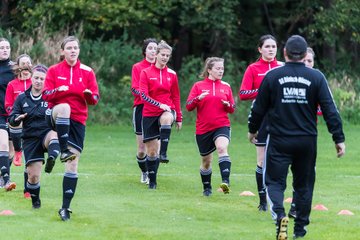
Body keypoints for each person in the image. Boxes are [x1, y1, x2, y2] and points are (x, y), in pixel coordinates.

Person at [248, 35, 345, 239]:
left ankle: (280, 216)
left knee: (274, 182)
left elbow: (258, 108)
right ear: (304, 55)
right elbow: (330, 110)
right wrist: (338, 138)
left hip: (279, 139)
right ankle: (300, 230)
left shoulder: (273, 76)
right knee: (304, 185)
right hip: (306, 141)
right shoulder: (316, 77)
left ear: (284, 53)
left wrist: (252, 129)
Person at [43, 36, 100, 221]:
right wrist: (59, 90)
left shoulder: (87, 71)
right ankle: (62, 148)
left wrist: (89, 95)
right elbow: (45, 95)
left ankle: (65, 208)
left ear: (79, 51)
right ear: (62, 51)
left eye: (75, 48)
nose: (73, 51)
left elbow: (95, 99)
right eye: (69, 48)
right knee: (65, 107)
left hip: (78, 121)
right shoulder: (53, 71)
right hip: (56, 115)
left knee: (73, 164)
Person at [239, 34, 282, 211]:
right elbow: (243, 94)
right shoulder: (253, 69)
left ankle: (281, 197)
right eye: (267, 46)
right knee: (262, 161)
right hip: (262, 117)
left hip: (282, 118)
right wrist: (263, 91)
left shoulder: (282, 67)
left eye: (273, 46)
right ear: (260, 49)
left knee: (281, 161)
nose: (271, 49)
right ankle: (263, 201)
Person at [9, 64, 60, 209]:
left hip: (46, 133)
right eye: (36, 78)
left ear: (46, 80)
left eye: (42, 79)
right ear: (31, 78)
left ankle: (52, 157)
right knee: (33, 176)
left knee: (54, 135)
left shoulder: (51, 96)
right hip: (30, 138)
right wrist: (17, 119)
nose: (38, 81)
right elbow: (11, 117)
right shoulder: (21, 98)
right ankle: (35, 201)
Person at [186, 57, 235, 196]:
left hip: (222, 125)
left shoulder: (226, 86)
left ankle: (226, 181)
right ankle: (207, 187)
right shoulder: (198, 86)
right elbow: (189, 106)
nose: (221, 71)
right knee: (206, 161)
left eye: (222, 68)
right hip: (203, 129)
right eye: (218, 68)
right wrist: (198, 99)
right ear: (209, 70)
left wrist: (228, 105)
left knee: (222, 148)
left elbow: (232, 109)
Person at [139, 40, 182, 189]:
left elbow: (176, 96)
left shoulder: (172, 74)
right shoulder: (145, 73)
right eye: (162, 55)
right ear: (156, 55)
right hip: (149, 113)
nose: (164, 58)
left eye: (167, 56)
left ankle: (164, 153)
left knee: (167, 117)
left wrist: (180, 118)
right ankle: (152, 181)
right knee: (151, 152)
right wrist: (158, 104)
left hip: (166, 111)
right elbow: (143, 96)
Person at [288, 46, 317, 219]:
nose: (306, 63)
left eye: (310, 61)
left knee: (307, 171)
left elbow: (324, 107)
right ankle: (294, 207)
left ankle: (295, 206)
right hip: (287, 134)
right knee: (298, 171)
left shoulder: (317, 80)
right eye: (304, 60)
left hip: (308, 134)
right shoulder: (289, 79)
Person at [131, 38, 158, 184]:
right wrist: (148, 96)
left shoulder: (162, 69)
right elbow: (135, 89)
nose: (153, 51)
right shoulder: (138, 67)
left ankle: (152, 176)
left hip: (156, 110)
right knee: (142, 149)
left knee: (154, 147)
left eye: (155, 48)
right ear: (145, 51)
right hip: (141, 108)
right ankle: (144, 171)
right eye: (150, 48)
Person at [6, 54, 32, 198]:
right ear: (18, 67)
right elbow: (8, 105)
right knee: (9, 152)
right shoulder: (12, 85)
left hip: (32, 124)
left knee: (30, 156)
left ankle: (28, 189)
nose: (26, 66)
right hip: (16, 122)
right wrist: (15, 115)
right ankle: (17, 150)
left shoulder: (35, 83)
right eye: (23, 63)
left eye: (28, 63)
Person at [0, 37, 16, 191]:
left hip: (12, 114)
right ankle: (6, 180)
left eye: (7, 47)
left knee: (11, 151)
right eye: (1, 47)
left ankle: (2, 174)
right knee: (3, 144)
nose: (5, 50)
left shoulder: (14, 69)